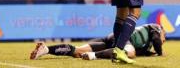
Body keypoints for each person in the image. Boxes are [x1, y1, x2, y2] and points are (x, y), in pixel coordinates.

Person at [30, 23, 165, 60]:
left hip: (111, 38)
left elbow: (142, 49)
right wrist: (160, 53)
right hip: (123, 38)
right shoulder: (156, 27)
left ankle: (47, 49)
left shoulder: (145, 41)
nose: (164, 39)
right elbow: (157, 40)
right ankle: (94, 55)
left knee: (77, 51)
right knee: (130, 54)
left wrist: (150, 53)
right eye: (165, 36)